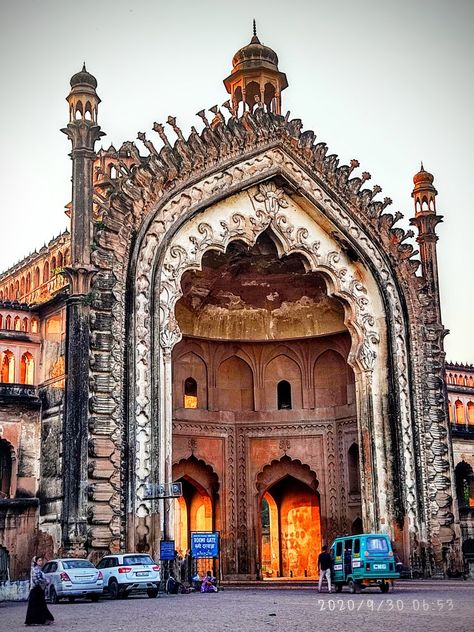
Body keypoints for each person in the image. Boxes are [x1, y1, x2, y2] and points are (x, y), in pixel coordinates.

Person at [25, 555, 55, 626]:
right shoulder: (34, 569)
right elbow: (36, 580)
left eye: (41, 560)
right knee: (36, 605)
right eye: (39, 561)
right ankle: (36, 620)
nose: (41, 562)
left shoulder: (39, 569)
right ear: (36, 562)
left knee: (41, 605)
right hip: (36, 590)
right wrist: (45, 582)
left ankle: (43, 619)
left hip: (39, 590)